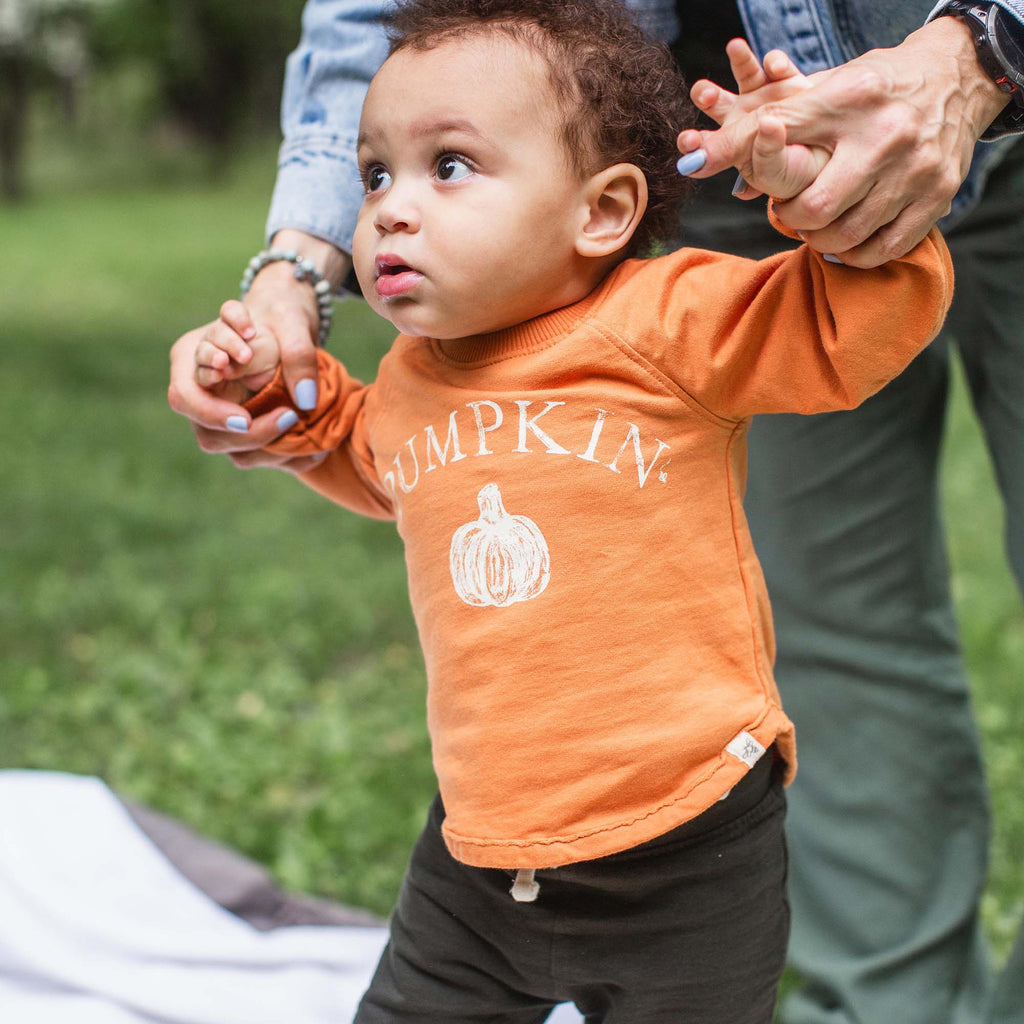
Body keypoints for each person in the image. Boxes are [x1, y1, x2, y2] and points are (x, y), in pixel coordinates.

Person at [165, 2, 1024, 1022]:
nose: (391, 209)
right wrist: (278, 392)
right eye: (374, 175)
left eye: (449, 167)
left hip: (689, 862)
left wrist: (815, 214)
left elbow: (846, 322)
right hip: (477, 866)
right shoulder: (412, 380)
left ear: (603, 212)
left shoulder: (673, 321)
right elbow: (370, 454)